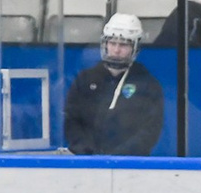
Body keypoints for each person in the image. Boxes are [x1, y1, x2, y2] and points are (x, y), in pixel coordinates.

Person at [63, 13, 164, 154]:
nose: (116, 50)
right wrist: (86, 151)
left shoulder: (148, 85)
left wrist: (119, 156)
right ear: (105, 44)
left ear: (135, 47)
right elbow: (71, 119)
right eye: (112, 43)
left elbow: (150, 130)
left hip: (129, 166)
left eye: (123, 45)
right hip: (87, 163)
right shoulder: (85, 79)